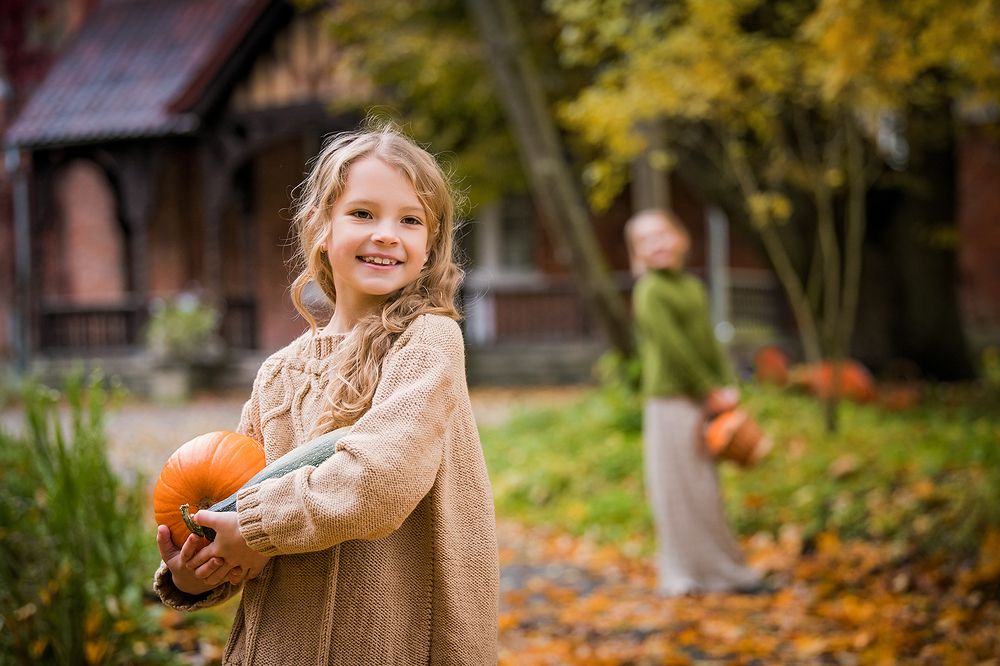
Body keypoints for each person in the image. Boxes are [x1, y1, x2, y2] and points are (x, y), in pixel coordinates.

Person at [153, 125, 500, 664]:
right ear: (321, 227)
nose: (388, 233)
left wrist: (255, 525)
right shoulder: (278, 375)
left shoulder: (427, 341)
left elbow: (384, 475)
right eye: (363, 213)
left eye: (410, 220)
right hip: (280, 644)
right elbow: (235, 499)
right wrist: (199, 567)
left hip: (392, 639)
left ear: (429, 244)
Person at [625, 208, 762, 596]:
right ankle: (682, 575)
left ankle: (722, 570)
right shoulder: (650, 290)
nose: (658, 244)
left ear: (680, 238)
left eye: (663, 234)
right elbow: (674, 351)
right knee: (677, 490)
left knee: (704, 490)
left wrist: (726, 383)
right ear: (638, 252)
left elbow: (708, 342)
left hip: (702, 398)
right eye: (646, 240)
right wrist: (708, 390)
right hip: (671, 400)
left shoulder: (690, 286)